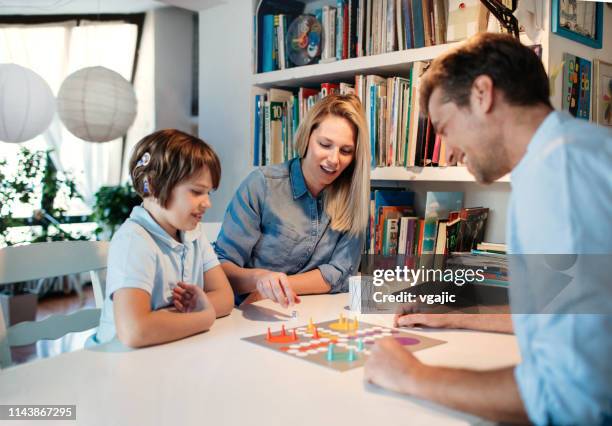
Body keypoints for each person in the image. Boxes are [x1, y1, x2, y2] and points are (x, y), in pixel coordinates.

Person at [364, 32, 612, 424]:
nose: (446, 151)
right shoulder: (581, 150)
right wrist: (453, 317)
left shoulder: (556, 180)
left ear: (482, 94)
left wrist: (412, 375)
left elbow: (569, 396)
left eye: (443, 127)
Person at [215, 94, 370, 307]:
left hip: (313, 314)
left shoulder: (354, 199)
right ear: (307, 137)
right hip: (247, 315)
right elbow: (221, 268)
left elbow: (340, 273)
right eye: (325, 145)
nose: (334, 160)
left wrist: (277, 287)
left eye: (346, 151)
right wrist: (259, 280)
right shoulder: (262, 185)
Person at [96, 129, 234, 348]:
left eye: (209, 193)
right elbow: (135, 331)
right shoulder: (134, 241)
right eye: (197, 192)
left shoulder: (194, 233)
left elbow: (225, 298)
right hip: (122, 362)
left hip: (170, 351)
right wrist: (203, 316)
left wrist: (163, 320)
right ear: (155, 184)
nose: (207, 203)